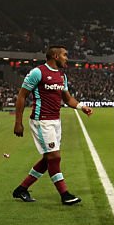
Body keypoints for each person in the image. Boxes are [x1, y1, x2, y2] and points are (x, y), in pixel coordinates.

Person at [12, 46, 93, 205]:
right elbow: (22, 96)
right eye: (64, 55)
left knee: (48, 159)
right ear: (55, 56)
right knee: (55, 157)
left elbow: (68, 99)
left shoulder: (62, 76)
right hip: (41, 121)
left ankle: (21, 189)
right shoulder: (38, 72)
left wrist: (82, 107)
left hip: (56, 121)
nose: (66, 58)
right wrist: (18, 122)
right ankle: (65, 194)